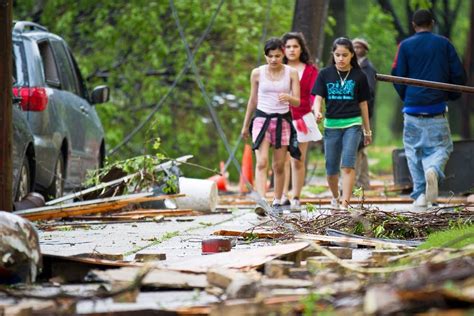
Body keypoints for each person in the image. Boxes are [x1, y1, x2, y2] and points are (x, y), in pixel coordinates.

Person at [391, 9, 466, 208]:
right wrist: (450, 95)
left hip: (412, 110)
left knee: (413, 152)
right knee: (442, 147)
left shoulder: (404, 46)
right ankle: (433, 168)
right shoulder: (444, 44)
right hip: (437, 109)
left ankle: (420, 195)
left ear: (414, 25)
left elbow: (397, 76)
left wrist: (407, 98)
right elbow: (457, 74)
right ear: (432, 23)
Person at [241, 37, 301, 212]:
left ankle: (276, 199)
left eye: (277, 56)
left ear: (283, 54)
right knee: (262, 162)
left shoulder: (291, 73)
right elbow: (252, 100)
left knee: (279, 164)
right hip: (262, 119)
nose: (274, 60)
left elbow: (297, 101)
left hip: (282, 120)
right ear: (265, 56)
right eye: (270, 56)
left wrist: (289, 98)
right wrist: (245, 125)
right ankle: (262, 200)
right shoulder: (257, 73)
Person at [312, 37, 372, 209]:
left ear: (351, 55)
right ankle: (335, 196)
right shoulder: (325, 74)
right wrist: (317, 111)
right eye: (337, 55)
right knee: (331, 171)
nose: (341, 58)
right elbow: (317, 98)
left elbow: (363, 105)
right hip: (331, 127)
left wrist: (367, 131)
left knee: (347, 165)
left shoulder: (359, 76)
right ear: (333, 54)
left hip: (352, 125)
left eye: (345, 55)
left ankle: (345, 205)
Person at [280, 32, 321, 210]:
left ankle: (296, 197)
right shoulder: (277, 69)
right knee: (281, 160)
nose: (291, 50)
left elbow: (315, 94)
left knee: (297, 159)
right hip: (281, 117)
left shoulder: (311, 70)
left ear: (301, 48)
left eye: (295, 46)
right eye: (288, 46)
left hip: (303, 117)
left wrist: (316, 109)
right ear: (283, 49)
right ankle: (281, 196)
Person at [352, 38, 377, 190]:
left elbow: (369, 92)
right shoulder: (354, 66)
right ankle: (364, 181)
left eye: (359, 47)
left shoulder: (368, 68)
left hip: (362, 112)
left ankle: (354, 182)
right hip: (354, 111)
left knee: (357, 146)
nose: (356, 49)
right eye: (354, 47)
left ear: (365, 49)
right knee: (361, 148)